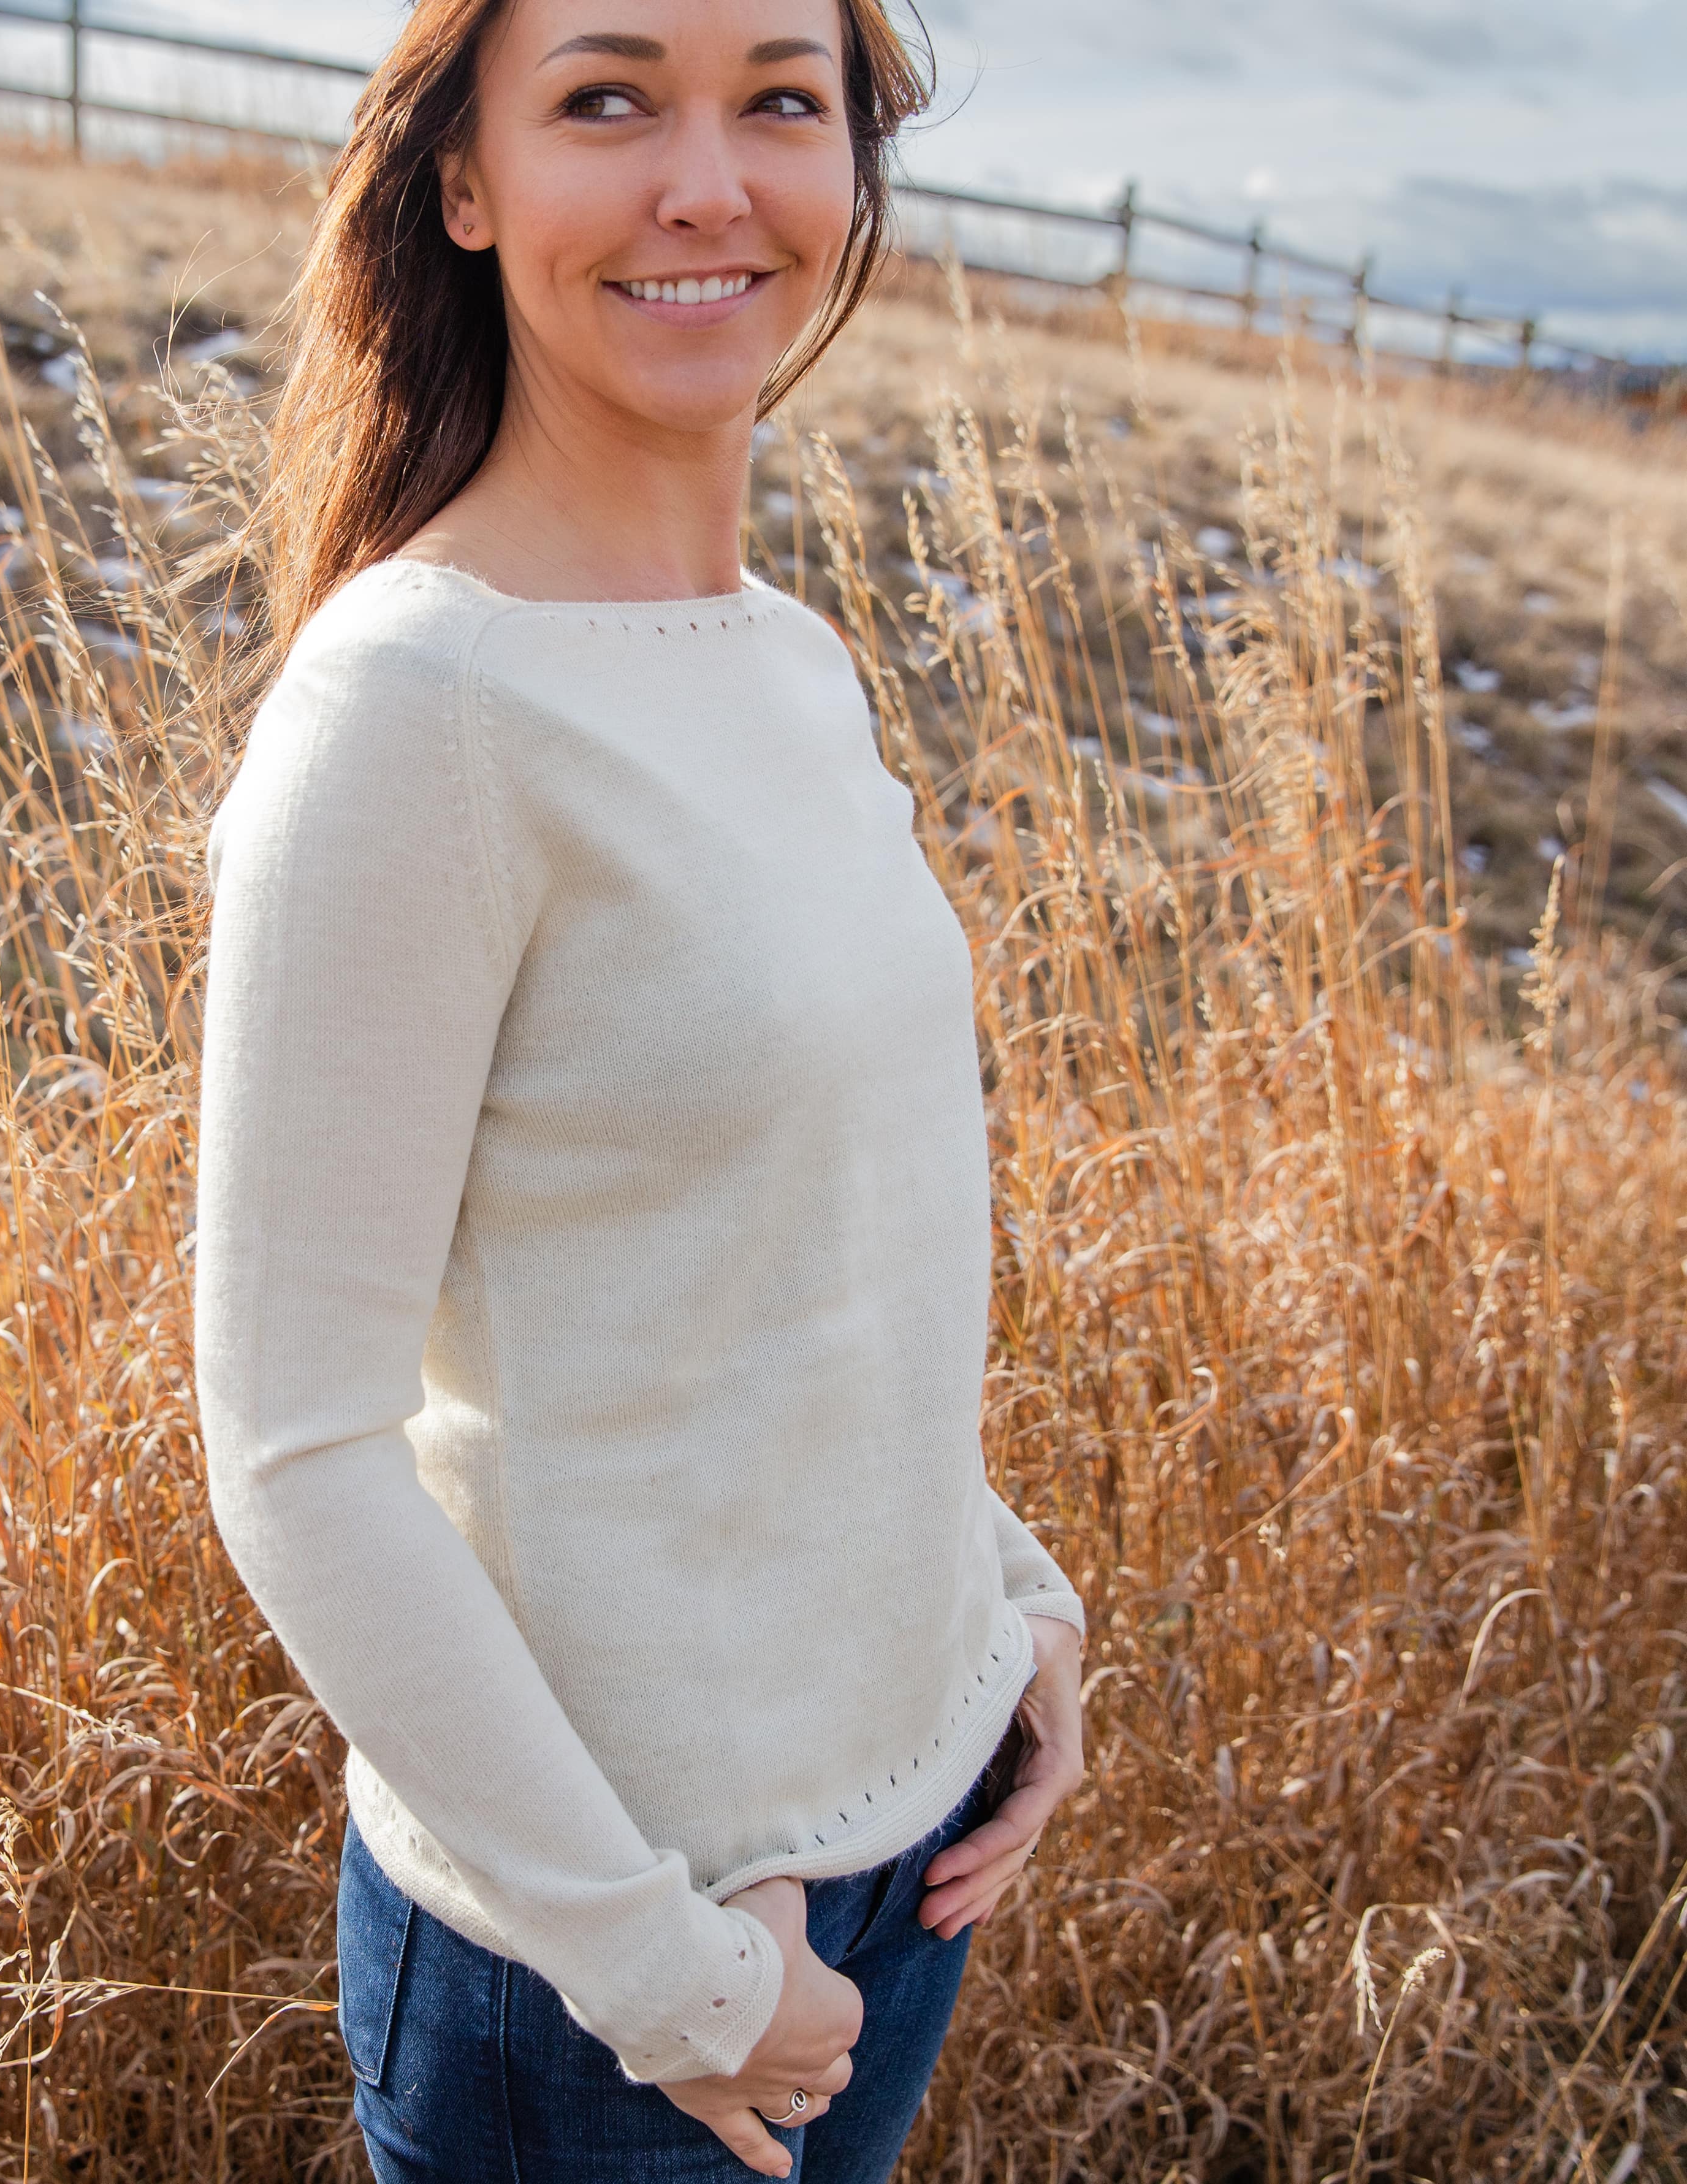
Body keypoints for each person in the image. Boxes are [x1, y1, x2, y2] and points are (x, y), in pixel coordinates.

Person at [191, 1, 1087, 2175]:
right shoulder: (417, 706)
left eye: (779, 99)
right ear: (466, 185)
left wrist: (1003, 1613)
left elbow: (795, 1266)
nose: (708, 179)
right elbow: (295, 1446)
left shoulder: (786, 661)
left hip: (896, 1861)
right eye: (609, 100)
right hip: (610, 1978)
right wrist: (657, 1958)